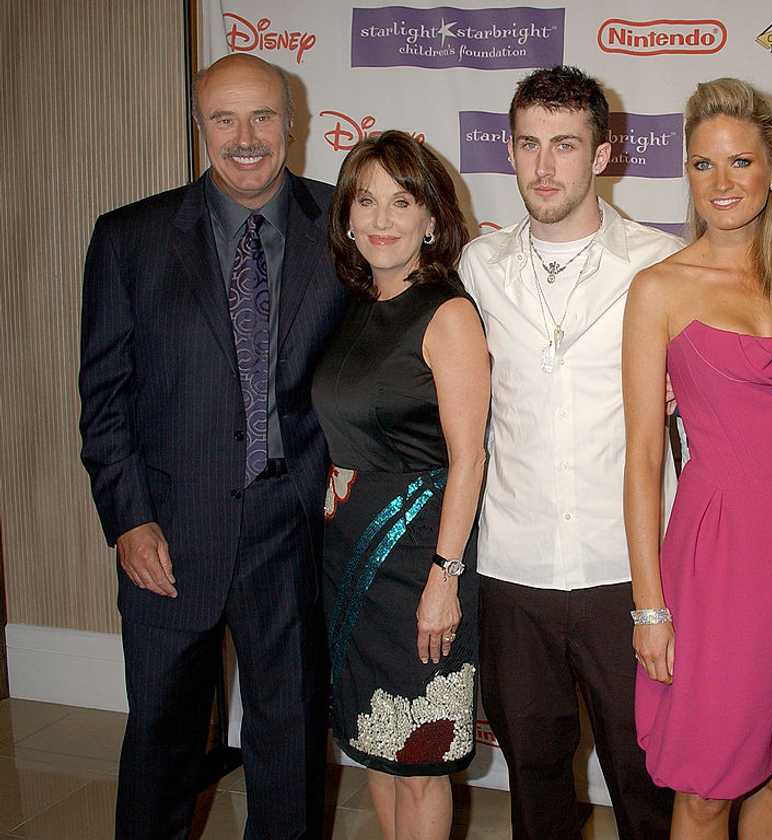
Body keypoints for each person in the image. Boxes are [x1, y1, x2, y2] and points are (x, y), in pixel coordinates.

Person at [78, 53, 347, 838]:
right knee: (162, 742)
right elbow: (103, 399)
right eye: (223, 118)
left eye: (262, 116)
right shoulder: (128, 238)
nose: (245, 137)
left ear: (291, 121)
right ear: (198, 127)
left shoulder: (344, 226)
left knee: (290, 742)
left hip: (292, 528)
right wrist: (127, 519)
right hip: (167, 531)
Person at [457, 65, 680, 840]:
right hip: (512, 569)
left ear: (603, 153)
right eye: (528, 145)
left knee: (649, 784)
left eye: (564, 144)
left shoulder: (661, 265)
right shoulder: (478, 269)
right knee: (535, 782)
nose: (543, 166)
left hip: (628, 570)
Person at [623, 78, 772, 840]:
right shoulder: (658, 288)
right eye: (703, 165)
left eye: (739, 163)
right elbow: (640, 456)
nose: (722, 183)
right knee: (705, 787)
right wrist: (649, 605)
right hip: (716, 557)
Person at [311, 131, 488, 840]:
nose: (382, 218)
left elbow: (468, 457)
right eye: (366, 200)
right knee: (376, 749)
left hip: (419, 560)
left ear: (432, 220)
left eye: (402, 201)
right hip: (348, 556)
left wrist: (444, 577)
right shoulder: (353, 304)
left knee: (419, 755)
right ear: (348, 217)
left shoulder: (447, 314)